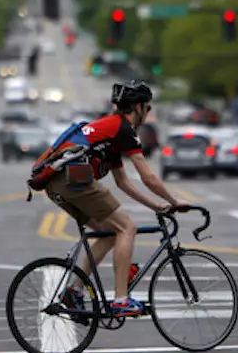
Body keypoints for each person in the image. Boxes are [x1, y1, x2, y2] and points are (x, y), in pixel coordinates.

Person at [43, 80, 191, 317]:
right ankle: (120, 300)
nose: (148, 112)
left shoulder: (110, 130)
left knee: (111, 232)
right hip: (74, 181)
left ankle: (74, 291)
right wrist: (174, 201)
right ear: (138, 107)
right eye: (148, 108)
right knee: (127, 227)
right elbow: (148, 177)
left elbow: (123, 182)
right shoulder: (123, 129)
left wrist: (157, 205)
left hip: (58, 184)